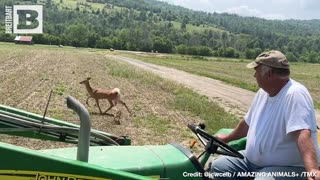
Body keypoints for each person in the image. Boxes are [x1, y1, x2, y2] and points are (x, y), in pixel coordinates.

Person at [210, 50, 320, 180]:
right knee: (219, 167)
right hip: (251, 161)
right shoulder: (263, 92)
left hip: (289, 167)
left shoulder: (295, 94)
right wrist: (227, 138)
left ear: (268, 74)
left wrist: (312, 170)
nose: (254, 75)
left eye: (256, 71)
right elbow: (247, 123)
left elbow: (303, 134)